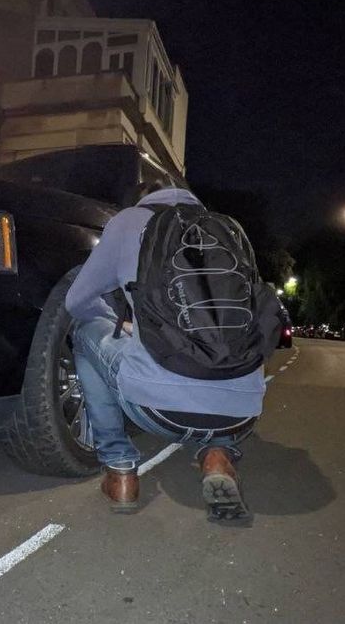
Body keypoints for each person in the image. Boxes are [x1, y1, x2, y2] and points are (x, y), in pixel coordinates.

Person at [65, 186, 273, 522]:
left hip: (158, 411)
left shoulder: (129, 221)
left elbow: (77, 301)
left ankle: (119, 470)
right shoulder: (232, 229)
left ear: (144, 199)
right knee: (217, 364)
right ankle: (218, 455)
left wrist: (131, 327)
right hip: (242, 413)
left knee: (84, 332)